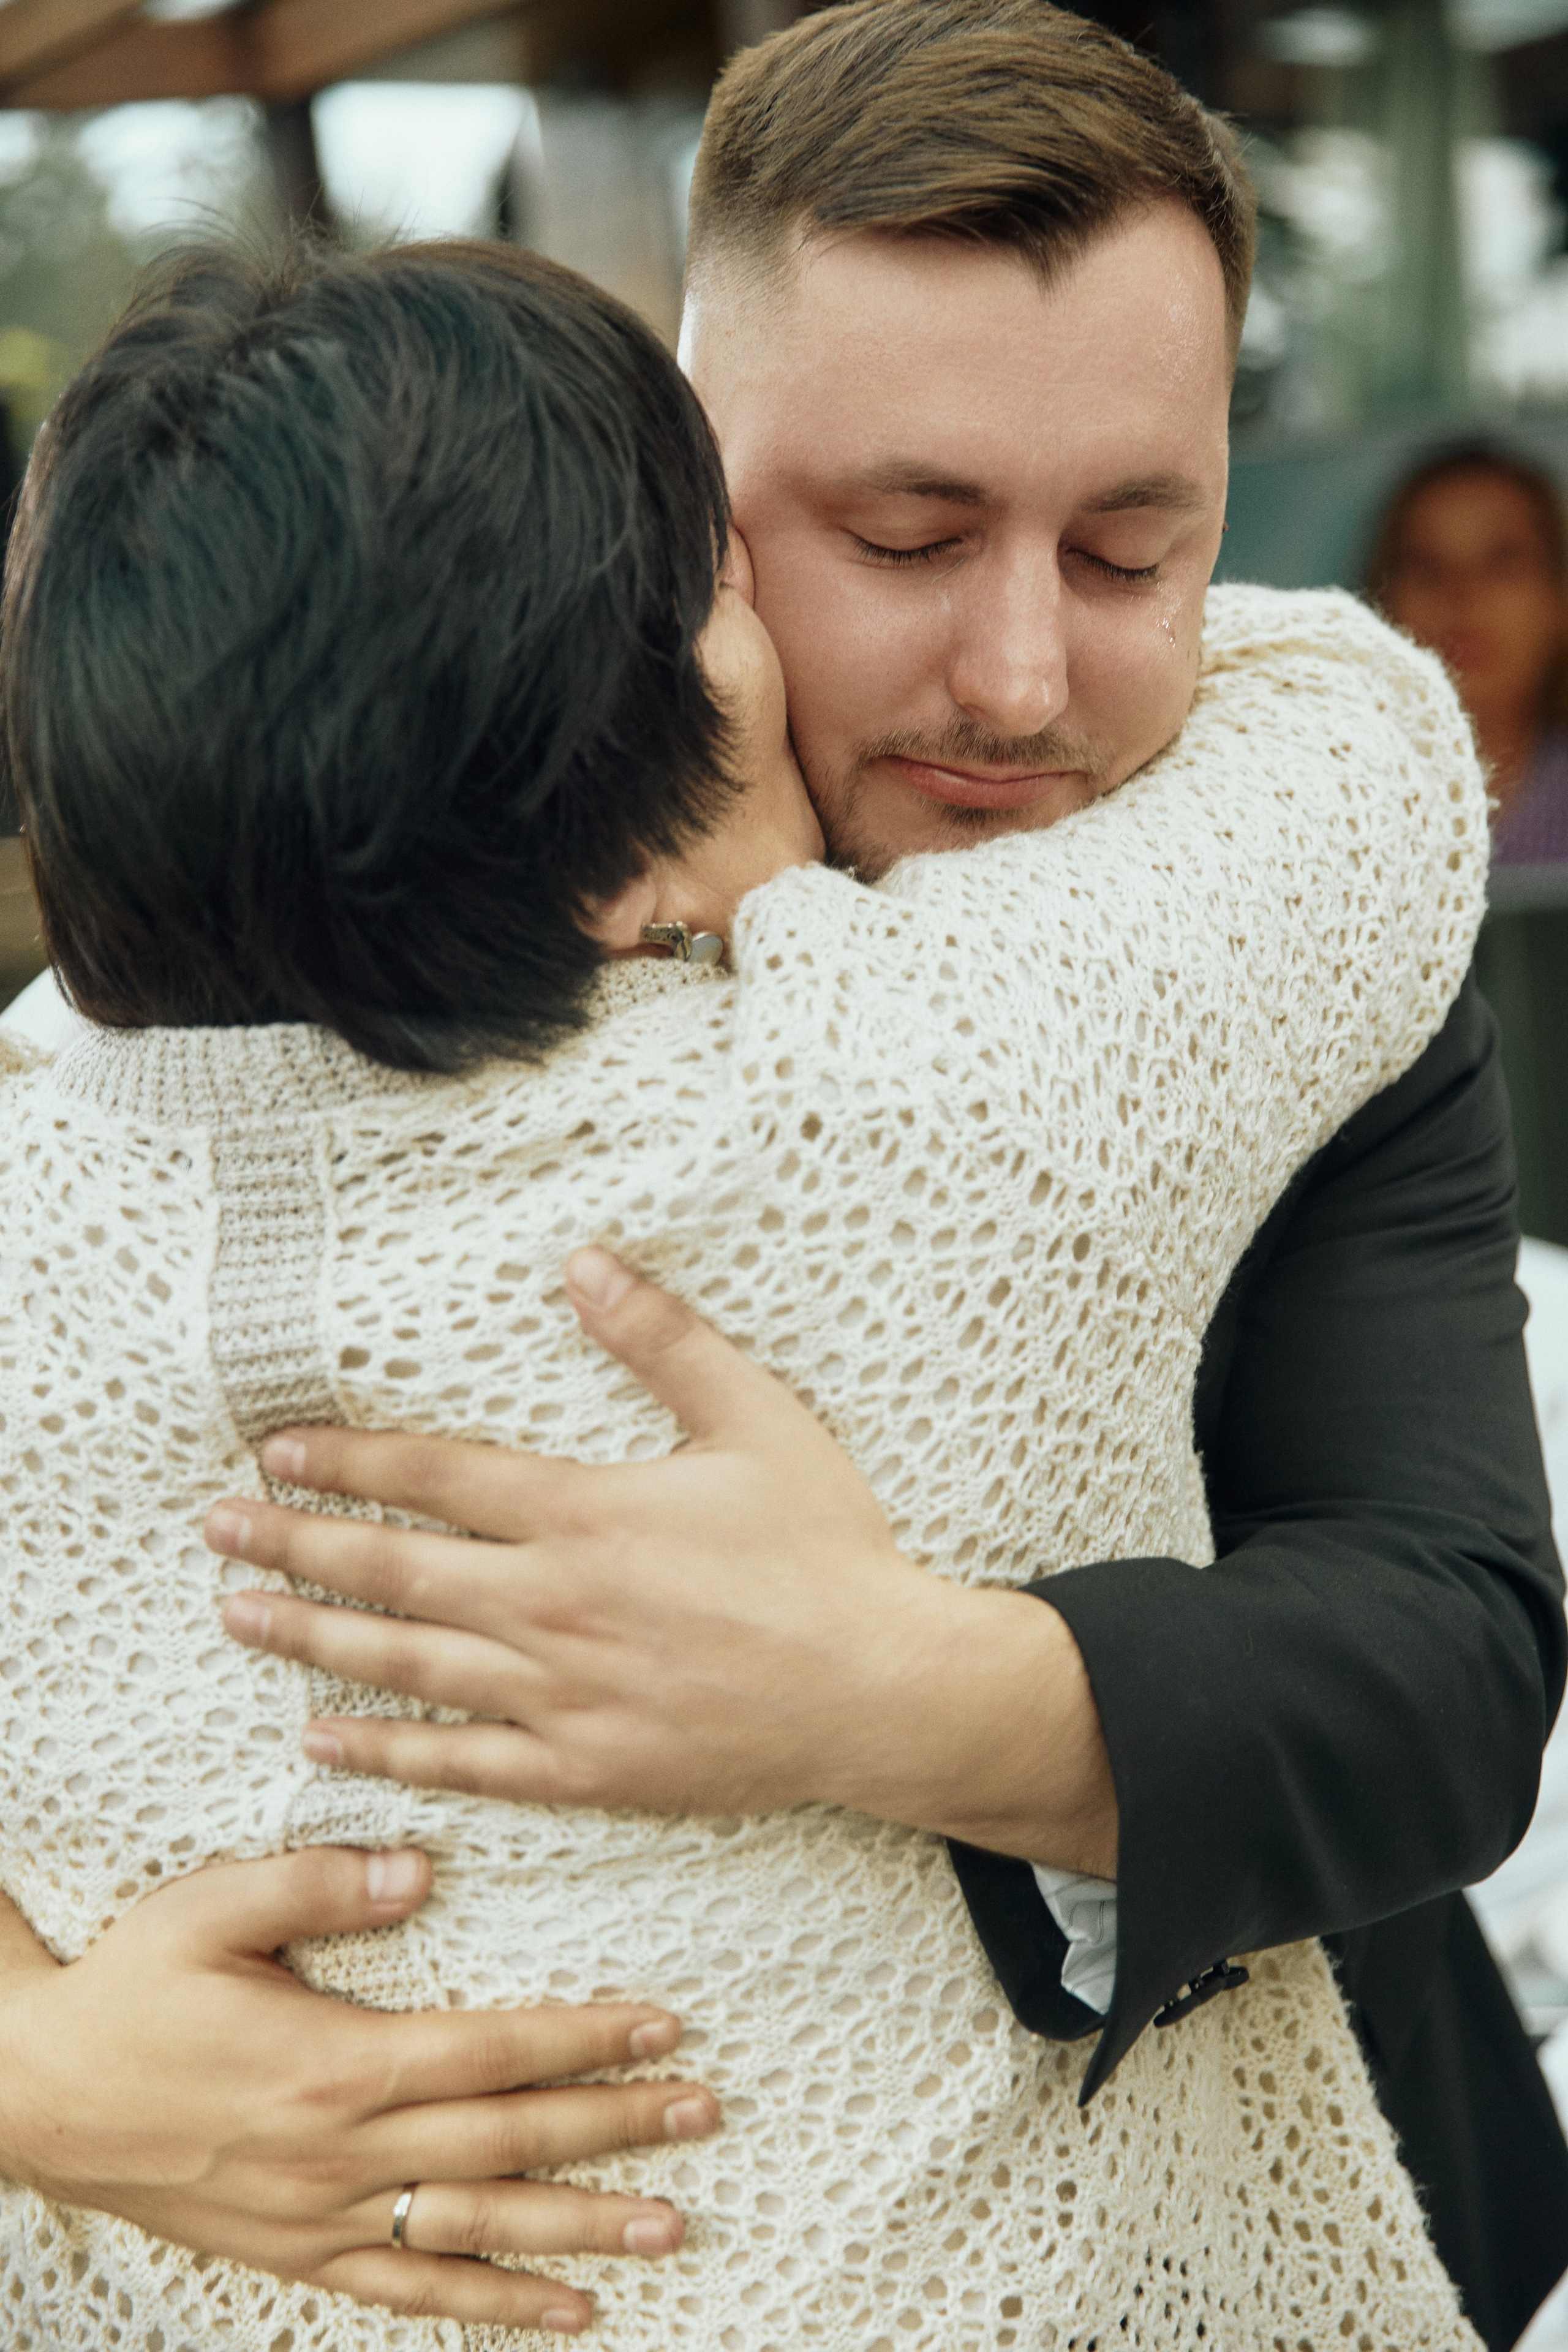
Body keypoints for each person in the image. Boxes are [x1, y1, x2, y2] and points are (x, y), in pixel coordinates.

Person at [0, 1, 1561, 2343]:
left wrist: (909, 1690)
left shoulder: (1256, 938)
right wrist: (35, 2059)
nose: (1019, 683)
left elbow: (1448, 1657)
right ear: (680, 486)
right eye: (901, 535)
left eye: (1136, 550)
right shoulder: (270, 915)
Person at [1371, 442, 1568, 868]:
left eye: (1503, 560)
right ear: (1382, 606)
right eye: (1425, 565)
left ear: (1558, 601)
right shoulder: (1333, 816)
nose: (1462, 595)